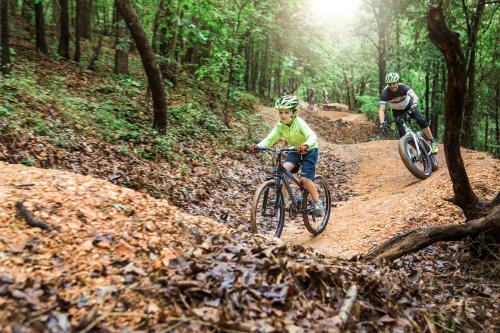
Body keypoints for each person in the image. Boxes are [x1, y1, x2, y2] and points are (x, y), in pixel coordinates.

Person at [249, 95, 324, 216]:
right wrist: (258, 146)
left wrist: (306, 144)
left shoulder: (299, 123)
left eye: (286, 112)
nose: (283, 115)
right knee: (283, 171)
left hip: (310, 150)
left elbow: (312, 136)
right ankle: (280, 199)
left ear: (294, 113)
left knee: (305, 179)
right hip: (295, 150)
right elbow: (269, 139)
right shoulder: (280, 126)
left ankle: (317, 203)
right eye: (281, 112)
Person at [379, 72, 439, 154]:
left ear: (397, 82)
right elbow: (381, 110)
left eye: (394, 83)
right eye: (390, 84)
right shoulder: (385, 93)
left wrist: (414, 103)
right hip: (397, 111)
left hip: (409, 106)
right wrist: (382, 122)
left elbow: (414, 96)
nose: (392, 86)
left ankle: (432, 142)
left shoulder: (403, 87)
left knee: (420, 120)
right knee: (401, 131)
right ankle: (407, 151)